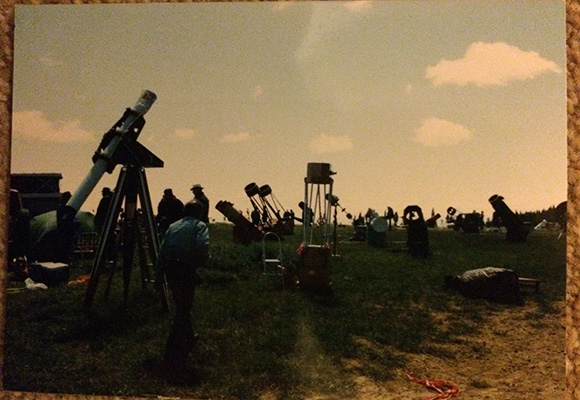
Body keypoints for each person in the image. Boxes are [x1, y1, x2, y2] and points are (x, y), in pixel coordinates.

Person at [156, 200, 209, 370]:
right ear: (199, 213)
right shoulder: (199, 226)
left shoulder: (173, 226)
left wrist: (158, 274)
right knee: (184, 305)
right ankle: (177, 344)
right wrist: (199, 263)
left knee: (181, 303)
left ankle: (189, 335)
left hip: (170, 268)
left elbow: (162, 249)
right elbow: (202, 246)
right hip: (186, 268)